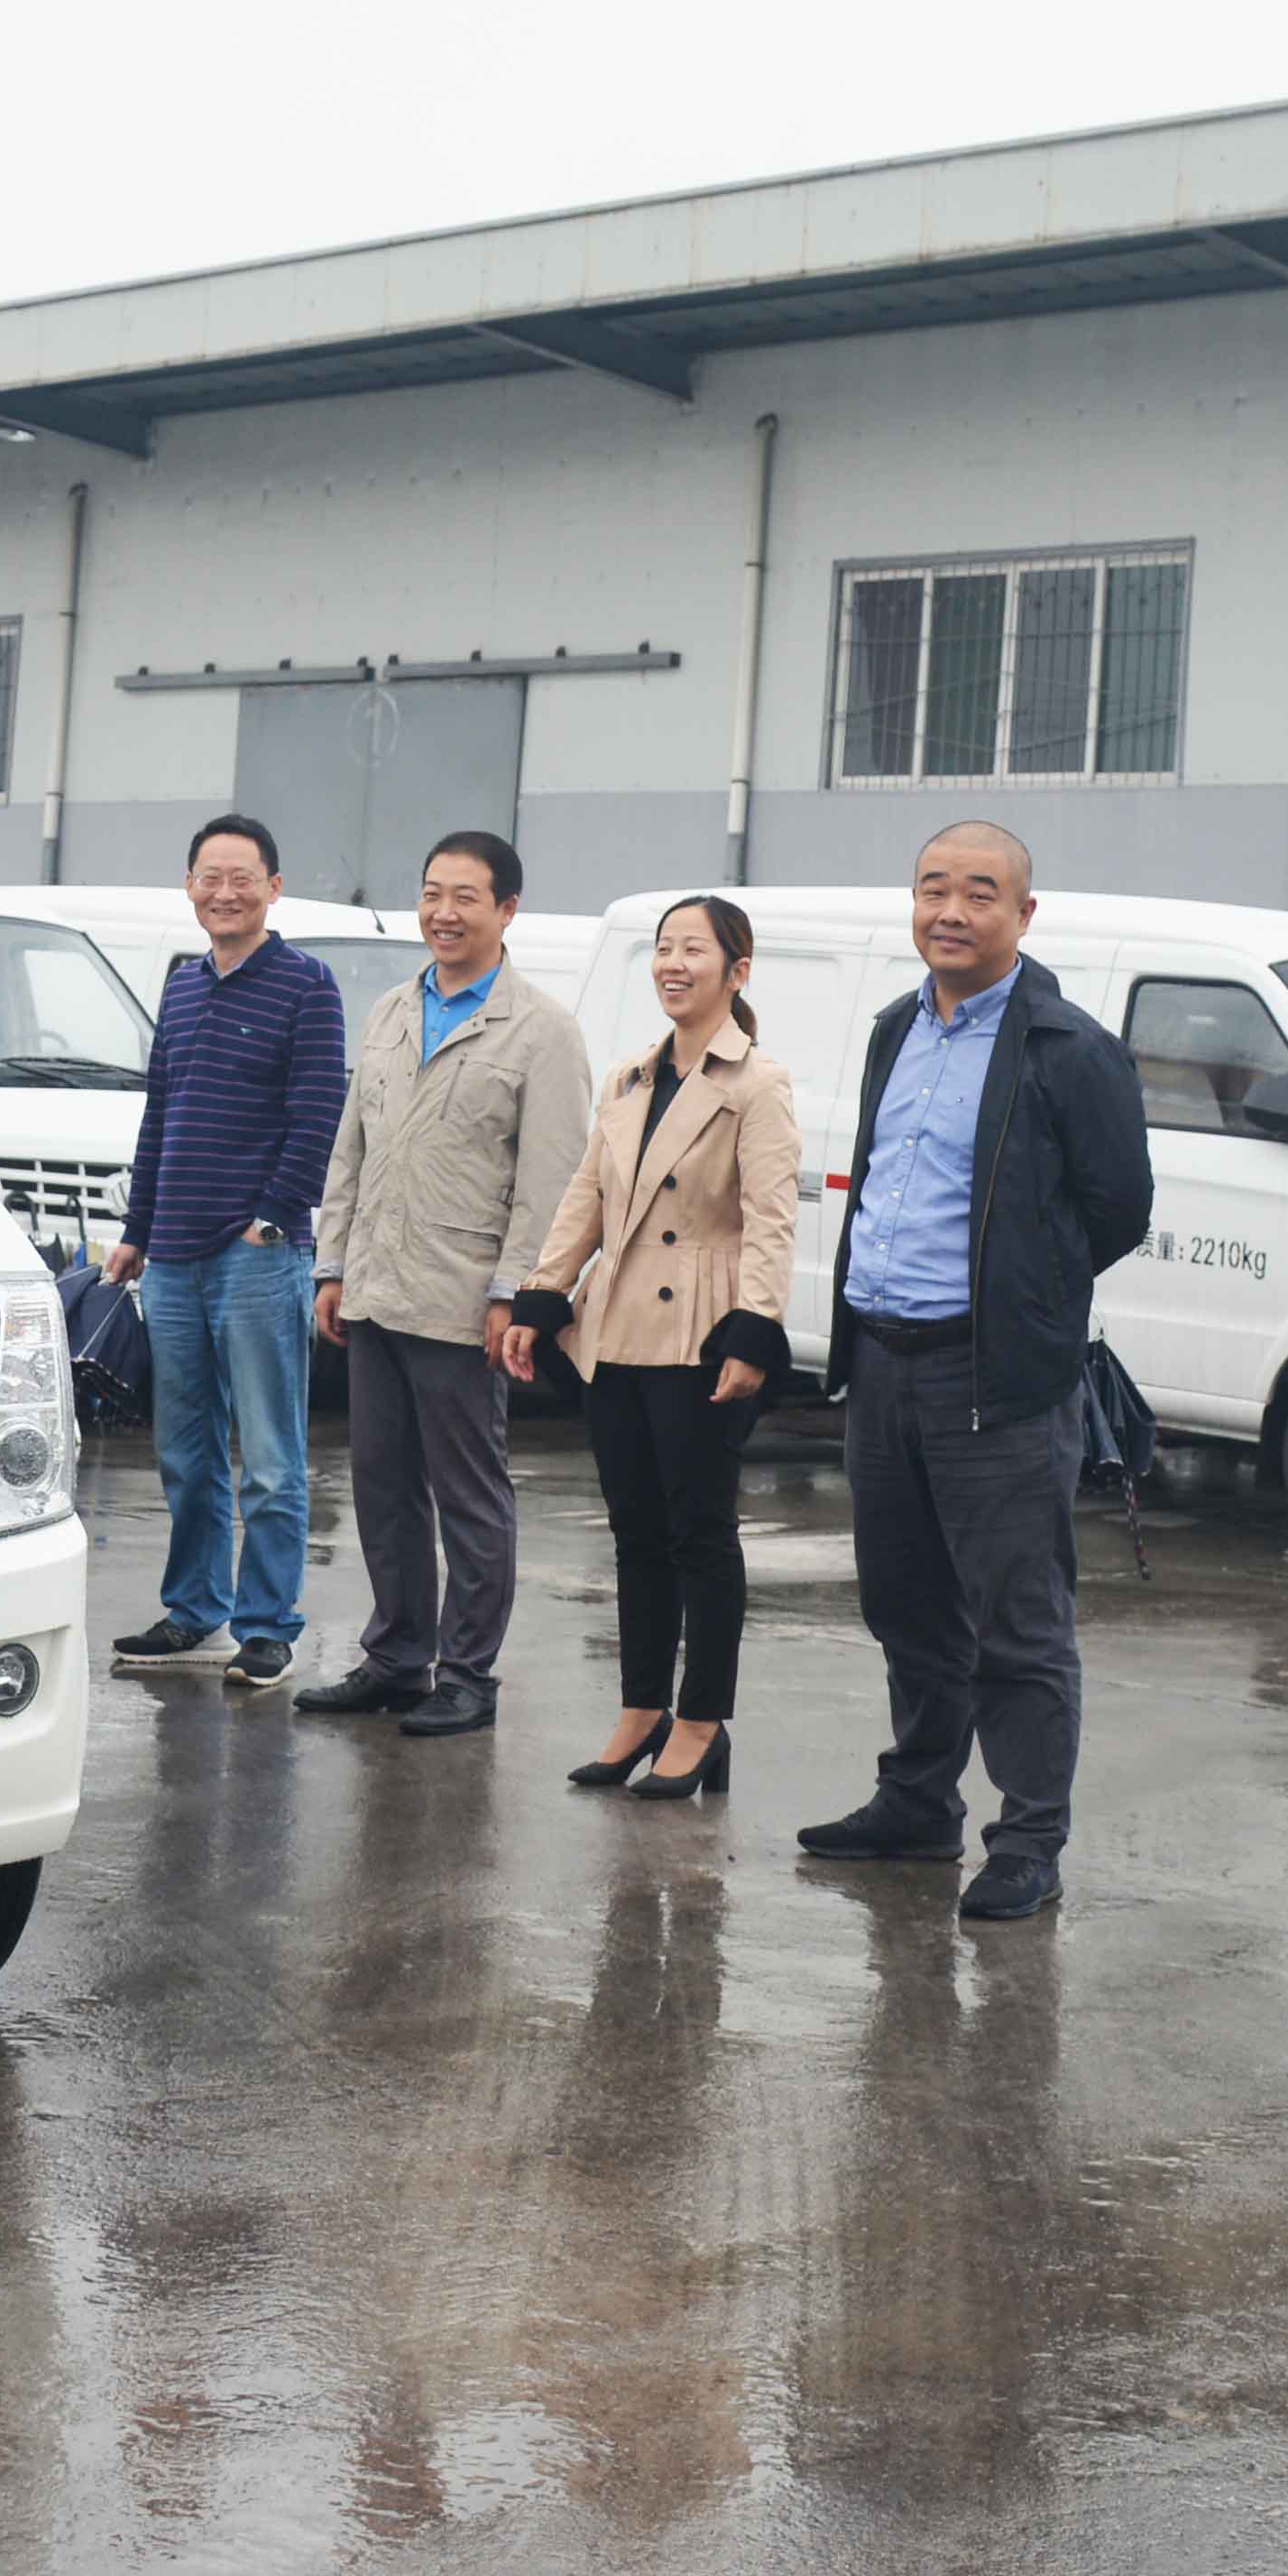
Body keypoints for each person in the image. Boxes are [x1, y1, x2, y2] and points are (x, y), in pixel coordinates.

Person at [793, 819, 1153, 1922]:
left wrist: (1022, 1301)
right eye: (932, 888)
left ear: (1023, 913)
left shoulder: (1068, 1047)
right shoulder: (895, 1028)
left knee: (1017, 1622)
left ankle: (1029, 1840)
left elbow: (1117, 1209)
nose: (951, 911)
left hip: (993, 1379)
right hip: (882, 1363)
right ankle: (917, 1803)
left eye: (979, 892)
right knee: (906, 1605)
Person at [496, 894, 798, 1800]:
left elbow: (771, 1220)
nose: (673, 964)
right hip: (617, 1328)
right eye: (664, 948)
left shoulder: (758, 1084)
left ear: (737, 971)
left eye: (693, 950)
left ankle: (701, 1721)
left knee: (701, 1532)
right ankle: (640, 1711)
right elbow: (586, 1196)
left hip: (701, 1331)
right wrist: (543, 1295)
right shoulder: (629, 1077)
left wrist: (756, 1329)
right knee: (635, 1532)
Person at [302, 830, 593, 1737]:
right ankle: (396, 1657)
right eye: (432, 893)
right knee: (382, 1485)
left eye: (466, 896)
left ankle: (467, 1673)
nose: (444, 912)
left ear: (507, 910)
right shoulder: (393, 1008)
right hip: (376, 1288)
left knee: (469, 1492)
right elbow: (351, 1148)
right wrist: (332, 1264)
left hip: (466, 1298)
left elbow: (551, 1181)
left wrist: (517, 1293)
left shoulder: (542, 1030)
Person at [99, 814, 351, 1690]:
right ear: (189, 886)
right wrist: (138, 1230)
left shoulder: (307, 985)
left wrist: (273, 1219)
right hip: (172, 1257)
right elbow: (160, 1114)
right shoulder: (182, 987)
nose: (225, 893)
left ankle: (268, 1625)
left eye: (243, 878)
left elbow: (319, 1113)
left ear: (274, 889)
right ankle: (194, 1610)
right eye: (210, 877)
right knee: (186, 1452)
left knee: (271, 1459)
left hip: (256, 1257)